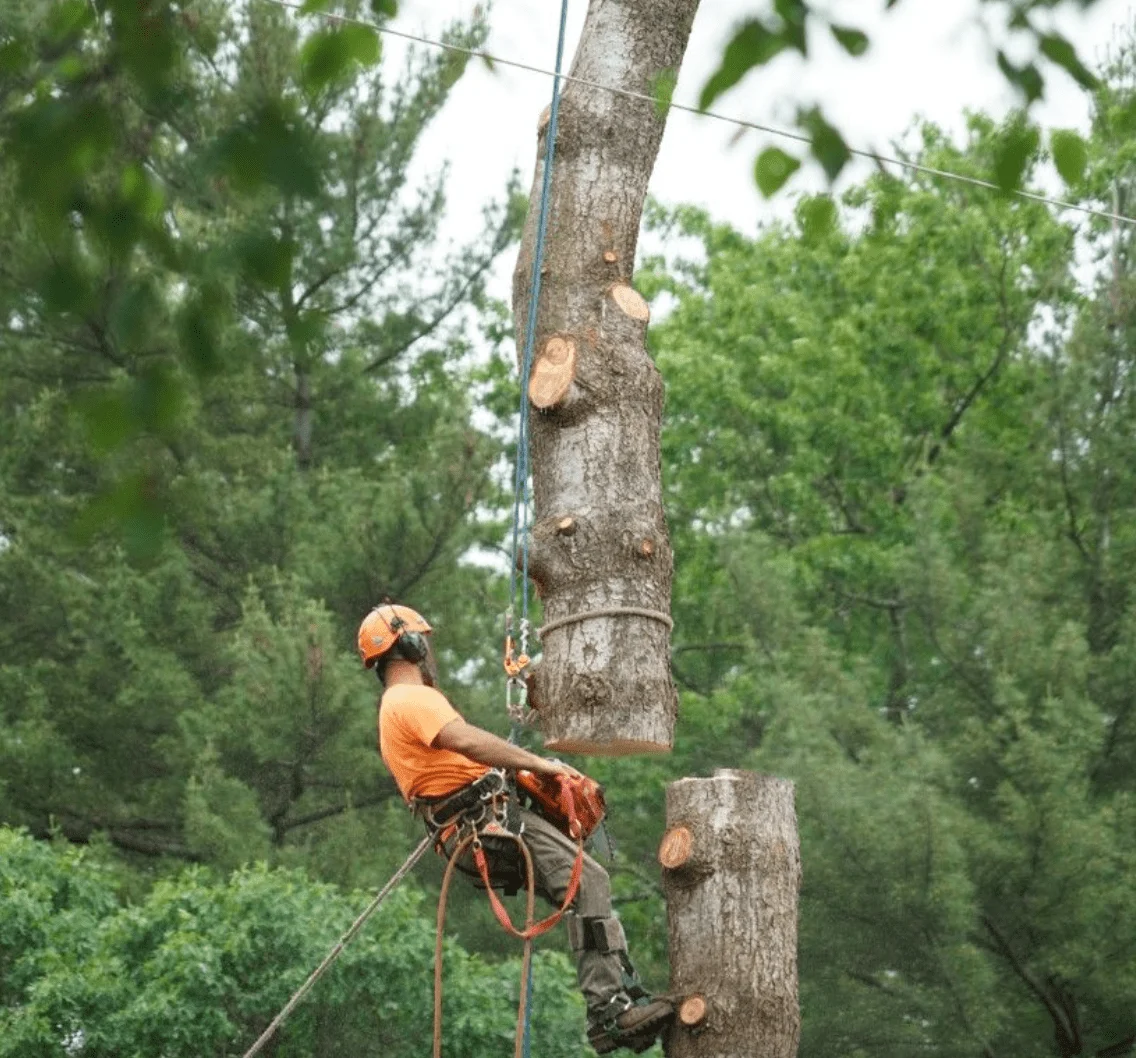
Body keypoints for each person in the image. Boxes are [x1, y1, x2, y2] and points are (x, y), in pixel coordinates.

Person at [357, 603, 674, 1054]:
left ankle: (620, 993)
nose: (429, 650)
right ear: (409, 643)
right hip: (482, 823)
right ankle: (608, 1011)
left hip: (472, 826)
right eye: (423, 640)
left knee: (587, 890)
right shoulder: (411, 699)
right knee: (589, 881)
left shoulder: (396, 705)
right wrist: (539, 762)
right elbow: (465, 739)